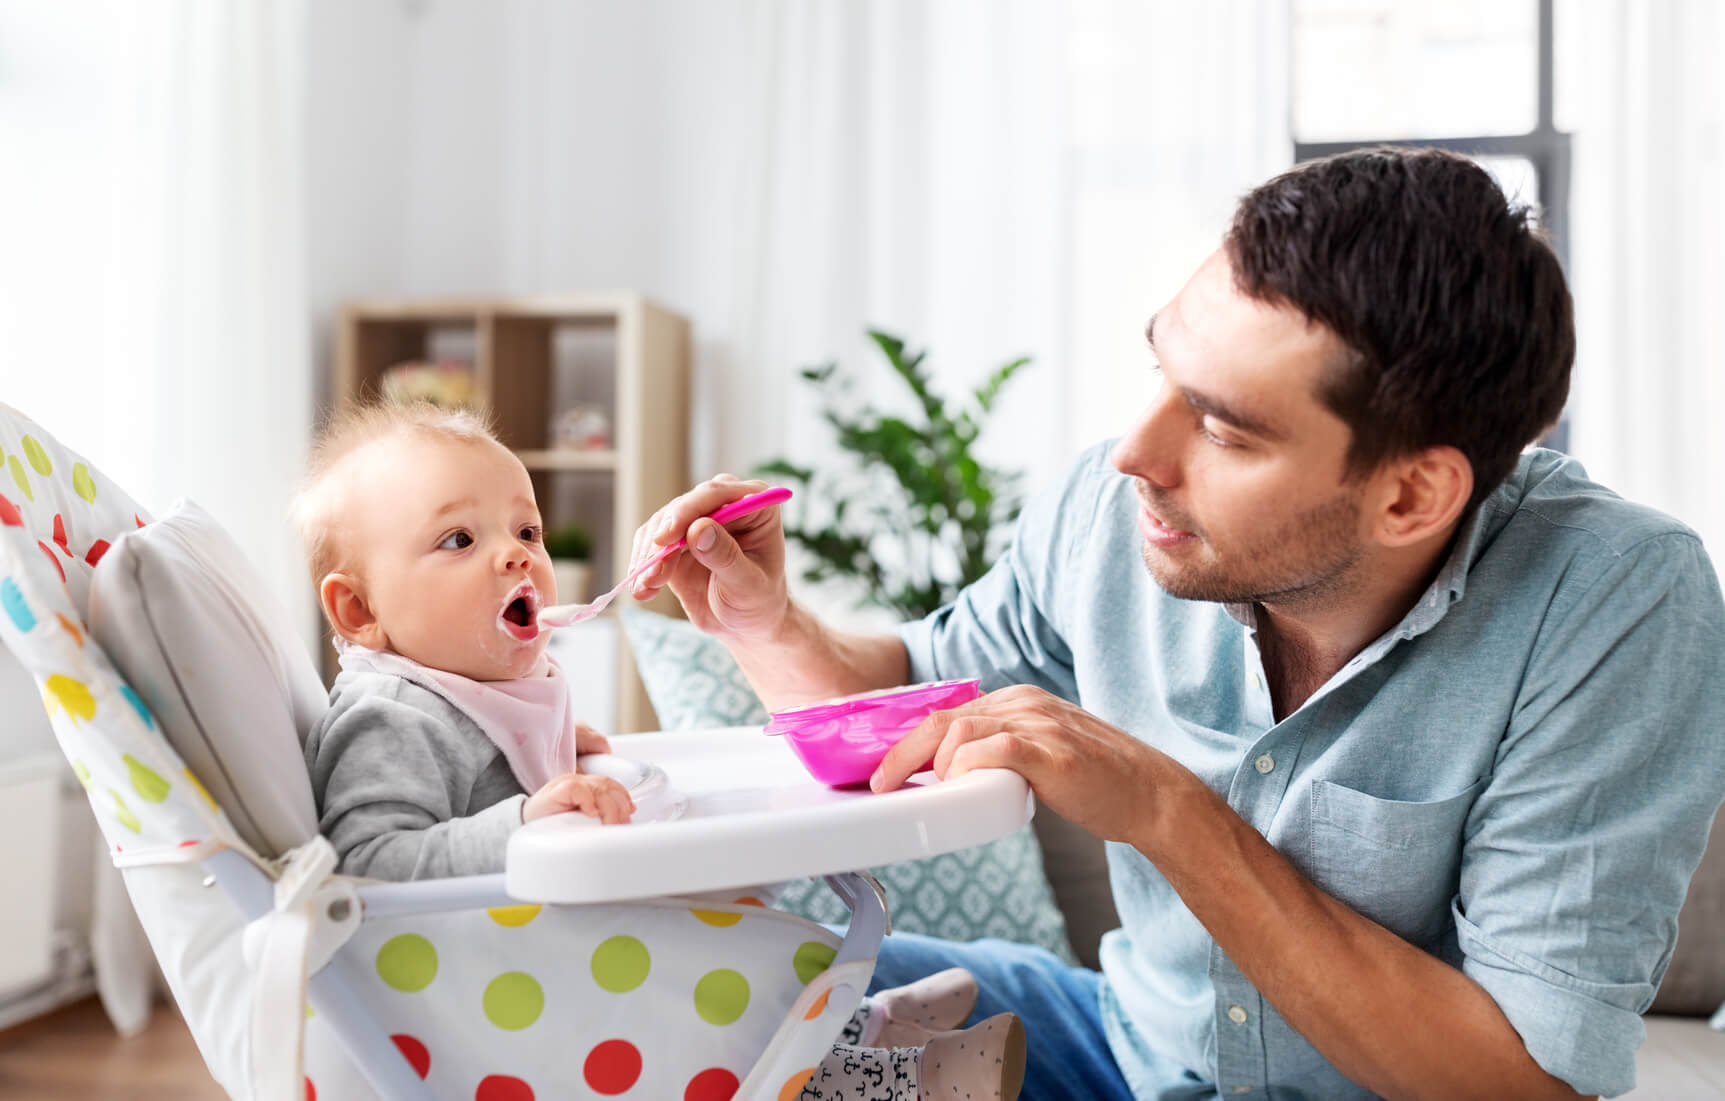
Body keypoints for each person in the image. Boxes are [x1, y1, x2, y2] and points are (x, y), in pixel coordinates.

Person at [631, 147, 1725, 1100]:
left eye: (1225, 430)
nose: (1134, 457)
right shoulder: (1116, 516)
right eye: (1162, 370)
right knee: (695, 982)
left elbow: (1523, 1082)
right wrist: (763, 624)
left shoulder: (1616, 598)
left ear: (1411, 498)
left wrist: (1168, 811)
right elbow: (897, 708)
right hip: (1122, 1053)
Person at [293, 400, 1028, 1101]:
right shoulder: (394, 715)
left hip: (539, 974)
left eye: (526, 532)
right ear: (359, 610)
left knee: (706, 928)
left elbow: (476, 790)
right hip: (479, 1005)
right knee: (690, 961)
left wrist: (559, 765)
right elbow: (368, 867)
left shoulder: (470, 693)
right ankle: (881, 1077)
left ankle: (855, 1026)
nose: (515, 558)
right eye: (460, 540)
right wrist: (522, 818)